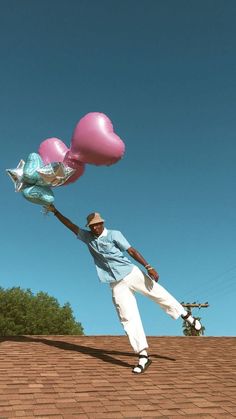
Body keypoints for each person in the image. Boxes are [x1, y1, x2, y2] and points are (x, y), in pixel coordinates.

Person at [47, 205, 201, 374]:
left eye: (98, 224)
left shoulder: (114, 234)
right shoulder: (88, 238)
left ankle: (186, 316)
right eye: (92, 226)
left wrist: (149, 266)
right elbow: (70, 226)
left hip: (131, 273)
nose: (95, 228)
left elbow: (131, 251)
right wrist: (55, 212)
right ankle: (143, 356)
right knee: (127, 317)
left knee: (158, 293)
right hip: (116, 283)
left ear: (102, 223)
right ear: (89, 227)